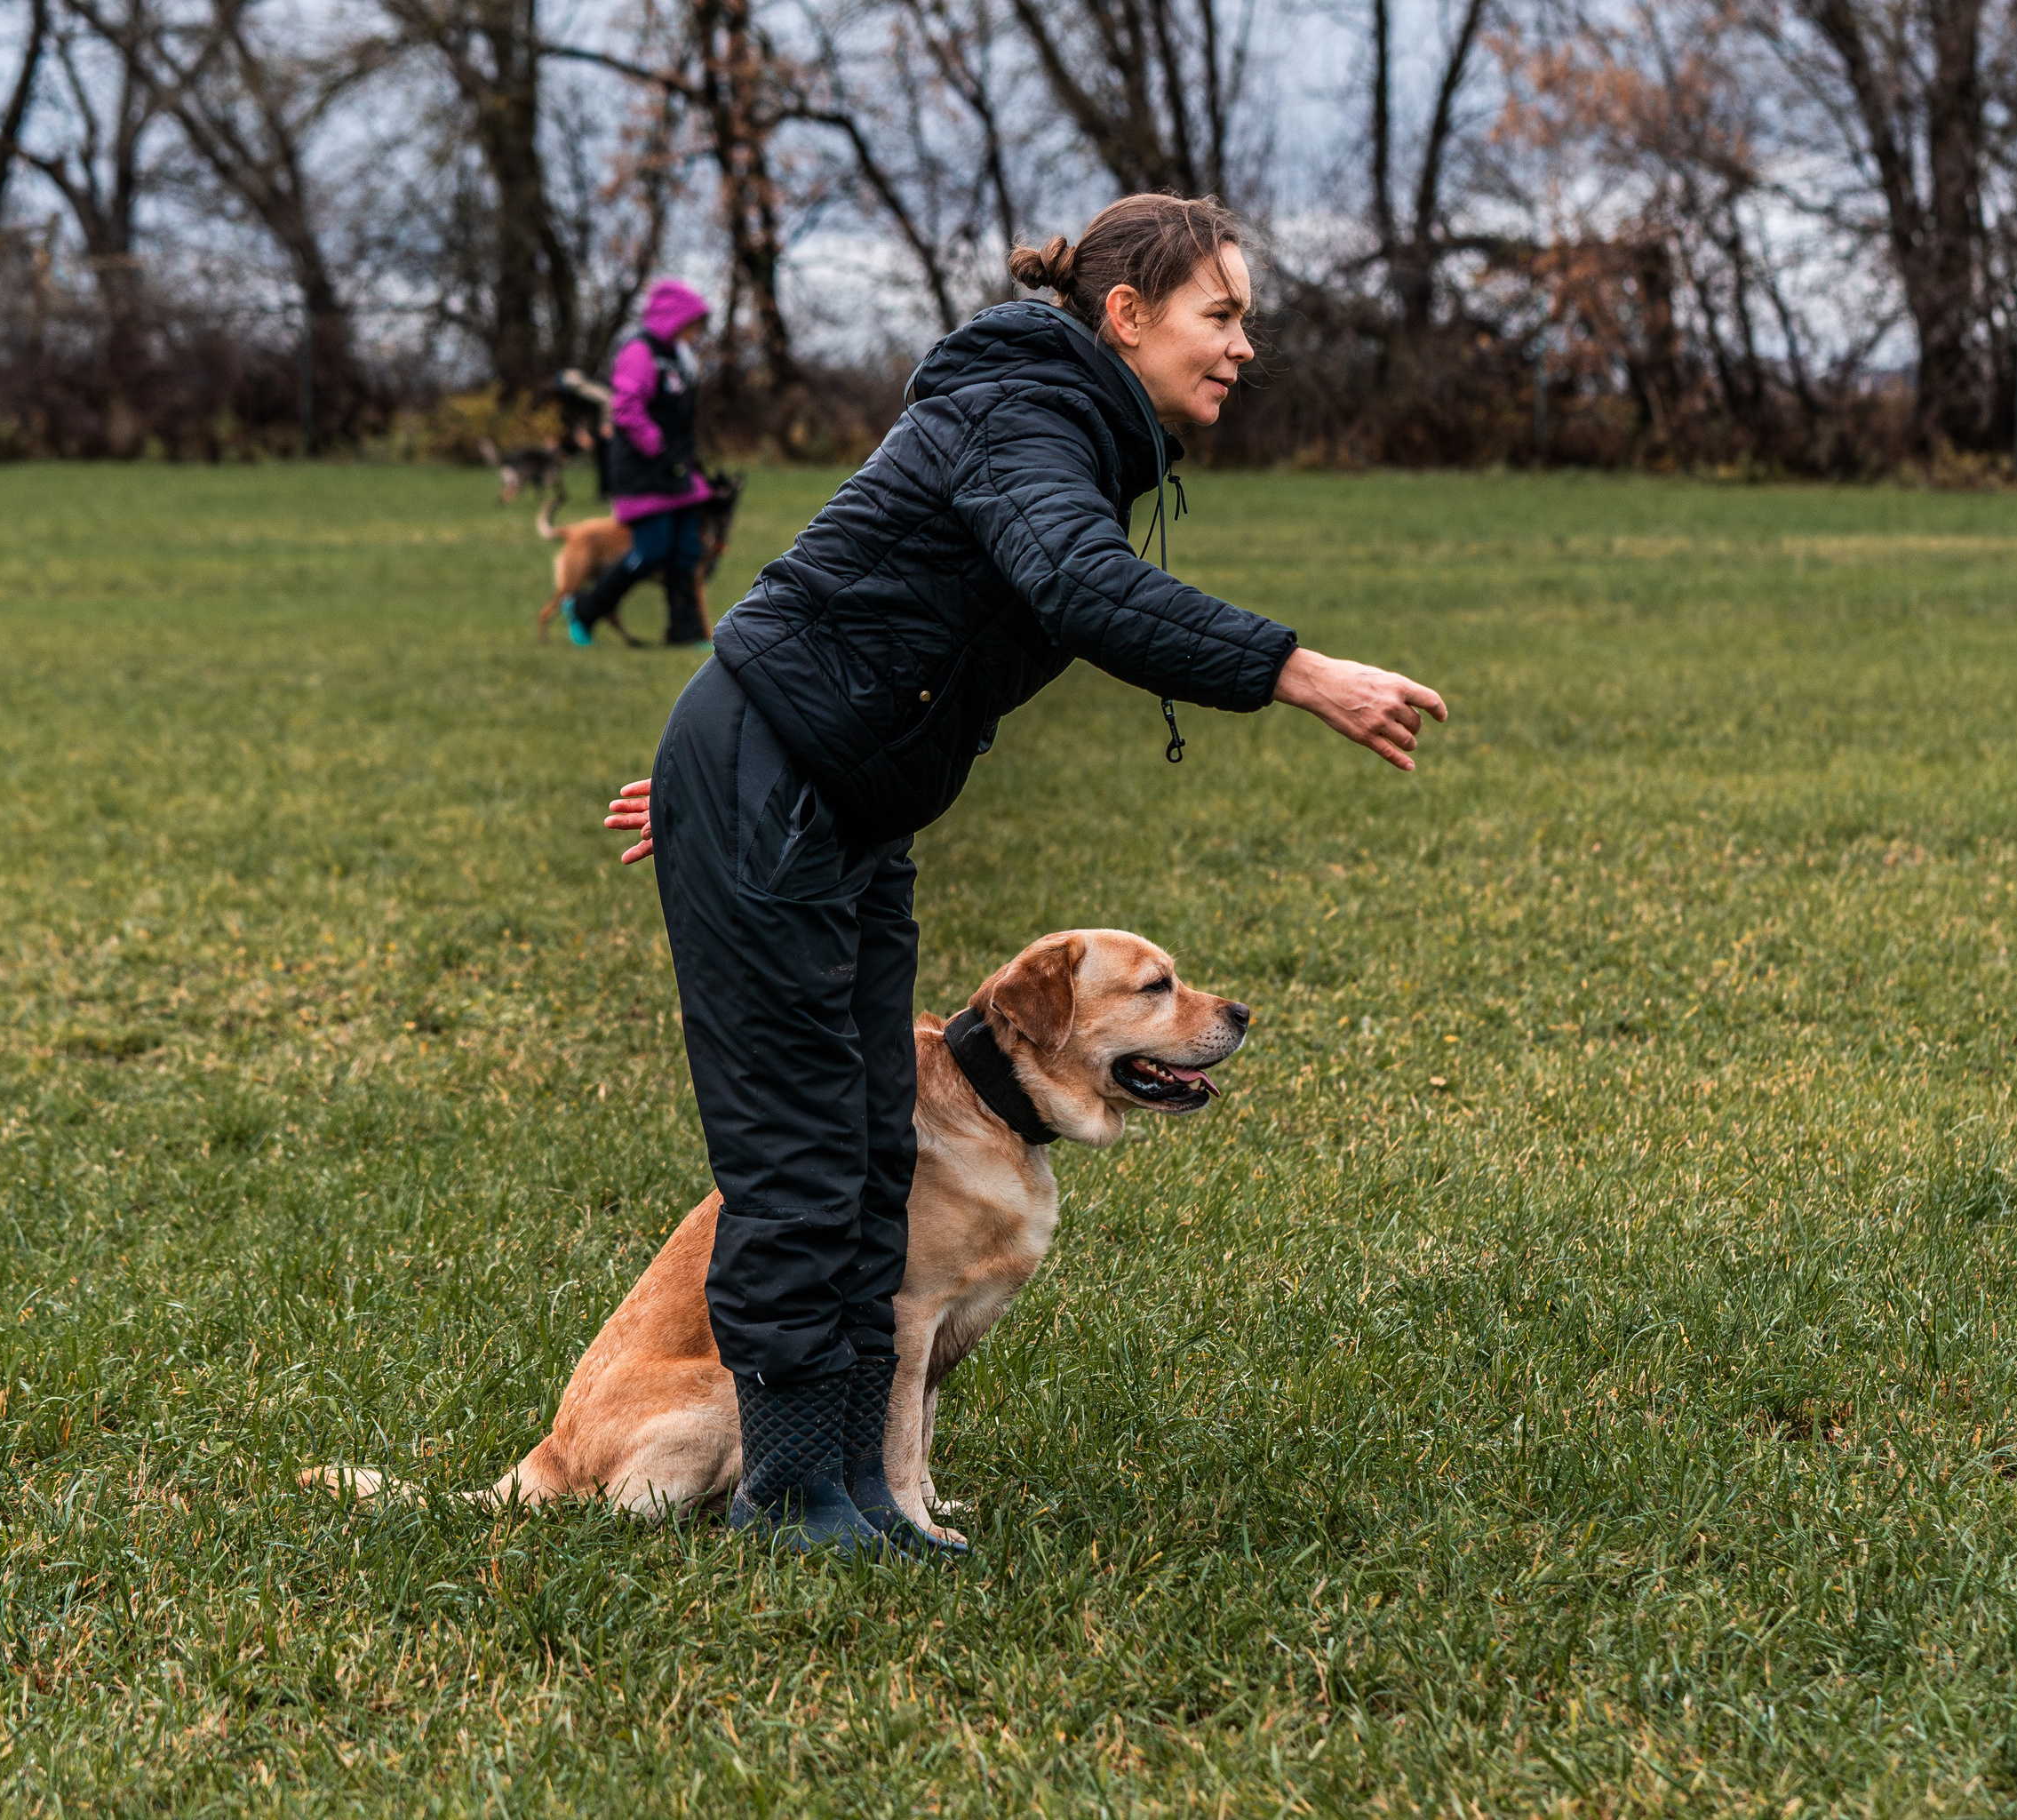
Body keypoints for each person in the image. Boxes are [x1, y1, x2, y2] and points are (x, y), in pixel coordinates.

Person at [599, 196, 1445, 1556]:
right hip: (781, 782)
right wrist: (1296, 670)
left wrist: (733, 755)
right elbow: (1078, 585)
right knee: (807, 1153)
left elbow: (894, 602)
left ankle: (859, 1488)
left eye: (1246, 323)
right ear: (1126, 314)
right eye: (1218, 316)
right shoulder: (1026, 411)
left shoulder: (1062, 422)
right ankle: (801, 1499)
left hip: (826, 795)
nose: (1243, 348)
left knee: (879, 1136)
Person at [563, 279, 714, 649]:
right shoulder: (638, 351)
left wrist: (694, 467)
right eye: (693, 325)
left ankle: (685, 632)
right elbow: (626, 409)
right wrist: (658, 449)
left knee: (686, 553)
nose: (696, 334)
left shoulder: (679, 358)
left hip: (676, 471)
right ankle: (584, 609)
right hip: (644, 470)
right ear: (675, 320)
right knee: (651, 552)